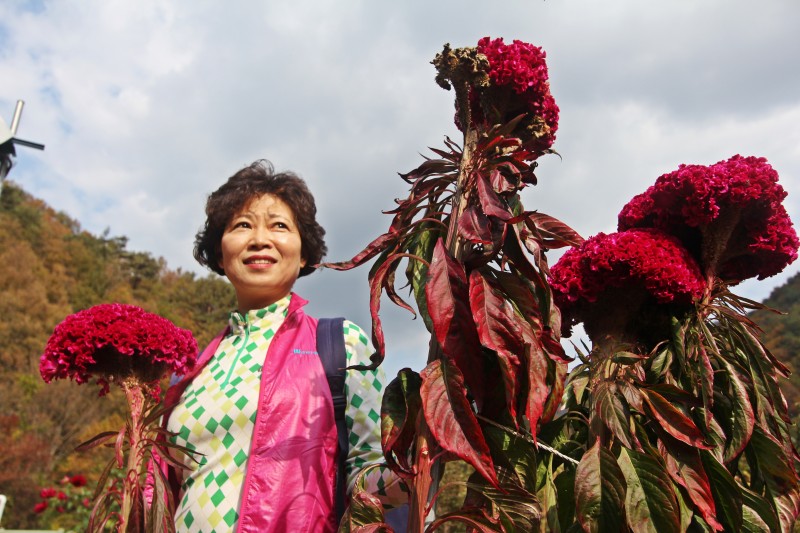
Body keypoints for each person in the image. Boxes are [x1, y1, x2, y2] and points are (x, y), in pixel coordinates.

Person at [158, 160, 405, 532]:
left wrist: (419, 452)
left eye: (279, 226)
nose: (260, 239)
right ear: (220, 253)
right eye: (242, 225)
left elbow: (367, 478)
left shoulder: (340, 344)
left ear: (303, 253)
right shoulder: (189, 373)